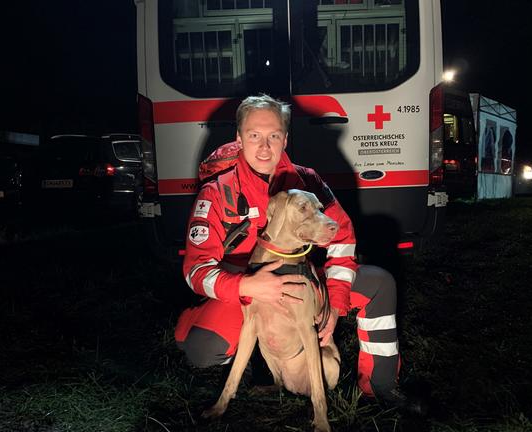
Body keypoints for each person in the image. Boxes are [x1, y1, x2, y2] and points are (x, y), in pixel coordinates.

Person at [174, 94, 408, 409]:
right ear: (239, 139)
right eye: (254, 135)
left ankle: (380, 387)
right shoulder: (216, 193)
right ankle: (258, 365)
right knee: (204, 349)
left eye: (273, 136)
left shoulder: (307, 181)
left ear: (285, 139)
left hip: (301, 282)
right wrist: (246, 285)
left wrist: (334, 305)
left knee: (379, 283)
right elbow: (196, 269)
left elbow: (342, 237)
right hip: (244, 292)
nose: (264, 146)